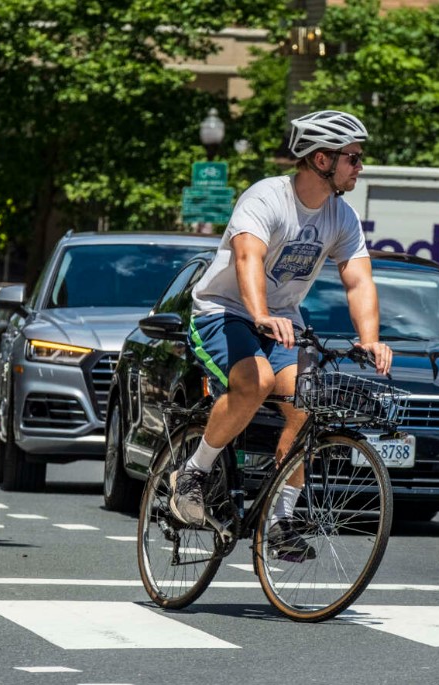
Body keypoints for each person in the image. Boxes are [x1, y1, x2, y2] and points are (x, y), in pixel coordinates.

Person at [169, 109, 393, 560]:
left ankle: (279, 522)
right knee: (257, 381)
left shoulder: (341, 217)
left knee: (307, 403)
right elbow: (248, 258)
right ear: (322, 159)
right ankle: (193, 473)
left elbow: (358, 280)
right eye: (353, 158)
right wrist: (260, 315)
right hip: (224, 310)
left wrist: (370, 337)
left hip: (283, 318)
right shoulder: (266, 199)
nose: (360, 167)